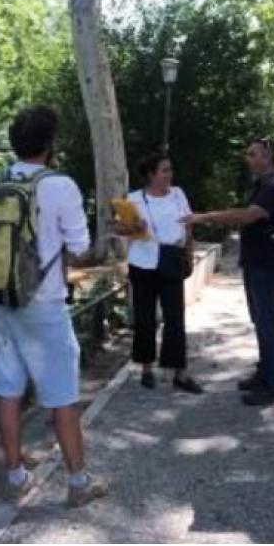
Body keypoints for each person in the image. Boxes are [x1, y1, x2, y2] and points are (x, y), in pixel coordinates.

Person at [0, 105, 109, 507]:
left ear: (16, 143)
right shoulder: (61, 185)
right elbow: (81, 248)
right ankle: (79, 482)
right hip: (44, 306)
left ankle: (16, 477)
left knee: (9, 390)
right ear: (50, 145)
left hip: (1, 303)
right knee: (63, 396)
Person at [188, 137, 274, 406]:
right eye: (247, 153)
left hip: (267, 264)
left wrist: (205, 216)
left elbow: (248, 216)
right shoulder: (262, 185)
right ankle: (264, 374)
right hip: (256, 261)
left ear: (267, 155)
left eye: (252, 153)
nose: (247, 158)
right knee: (260, 320)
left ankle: (271, 385)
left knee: (267, 321)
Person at [114, 152, 202, 393]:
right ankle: (146, 368)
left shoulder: (178, 194)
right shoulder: (134, 199)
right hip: (143, 263)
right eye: (164, 170)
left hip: (172, 260)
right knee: (145, 318)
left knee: (175, 318)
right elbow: (120, 228)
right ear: (151, 175)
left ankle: (179, 372)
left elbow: (188, 223)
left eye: (170, 170)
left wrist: (189, 251)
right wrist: (134, 227)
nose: (169, 175)